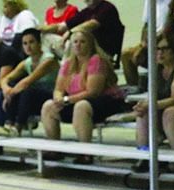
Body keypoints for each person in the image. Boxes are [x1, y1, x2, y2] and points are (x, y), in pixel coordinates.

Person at [112, 31, 174, 171]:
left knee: (170, 113)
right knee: (145, 113)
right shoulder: (157, 68)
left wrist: (150, 105)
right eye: (157, 49)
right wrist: (139, 109)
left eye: (164, 49)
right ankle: (145, 156)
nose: (159, 53)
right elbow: (155, 97)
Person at [40, 29, 125, 158]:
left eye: (82, 42)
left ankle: (86, 152)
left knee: (81, 106)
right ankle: (54, 149)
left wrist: (67, 100)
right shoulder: (68, 63)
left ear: (90, 44)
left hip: (105, 100)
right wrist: (58, 98)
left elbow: (93, 91)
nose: (78, 45)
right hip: (77, 100)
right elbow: (58, 88)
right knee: (48, 106)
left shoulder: (96, 60)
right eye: (75, 42)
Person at [0, 28, 58, 134]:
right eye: (25, 43)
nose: (28, 46)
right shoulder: (26, 62)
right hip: (35, 98)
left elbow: (28, 81)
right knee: (12, 86)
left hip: (51, 95)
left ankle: (18, 126)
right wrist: (6, 89)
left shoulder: (49, 60)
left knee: (26, 90)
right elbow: (6, 79)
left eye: (31, 42)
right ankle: (9, 124)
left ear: (39, 43)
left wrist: (11, 94)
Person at [121, 0, 171, 87]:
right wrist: (142, 45)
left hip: (165, 40)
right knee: (126, 54)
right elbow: (146, 25)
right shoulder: (149, 1)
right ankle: (134, 87)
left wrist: (148, 44)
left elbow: (169, 27)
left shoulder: (171, 2)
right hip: (150, 41)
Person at [55, 0, 124, 60]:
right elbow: (62, 27)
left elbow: (92, 24)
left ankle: (66, 69)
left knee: (77, 37)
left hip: (103, 52)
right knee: (47, 37)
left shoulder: (107, 7)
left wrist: (70, 32)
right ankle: (60, 63)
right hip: (88, 49)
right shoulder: (86, 11)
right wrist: (44, 29)